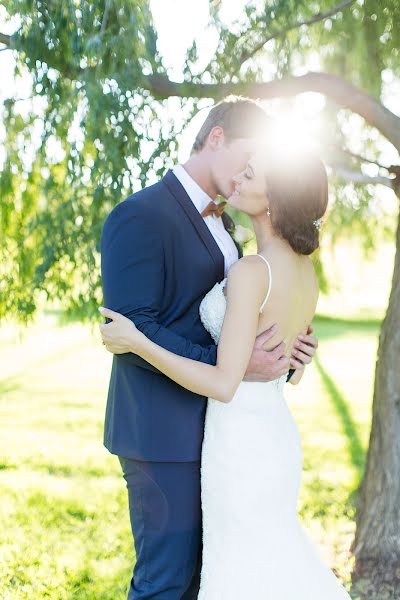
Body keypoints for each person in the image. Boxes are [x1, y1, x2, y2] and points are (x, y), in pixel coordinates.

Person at [99, 97, 318, 599]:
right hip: (162, 436)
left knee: (211, 580)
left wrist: (287, 351)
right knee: (164, 584)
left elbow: (237, 327)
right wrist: (237, 369)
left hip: (222, 438)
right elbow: (132, 331)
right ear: (216, 137)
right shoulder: (139, 215)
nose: (250, 170)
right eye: (248, 156)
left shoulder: (232, 233)